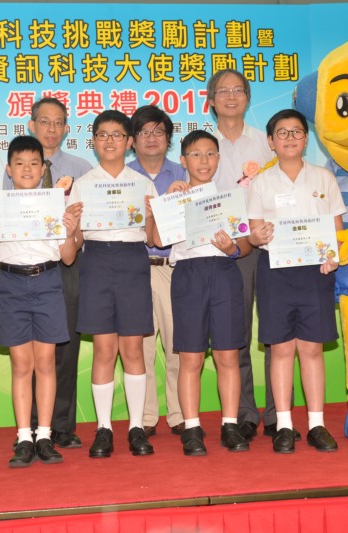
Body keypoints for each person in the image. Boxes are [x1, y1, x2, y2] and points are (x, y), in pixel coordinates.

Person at [246, 109, 346, 453]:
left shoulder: (324, 178)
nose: (289, 138)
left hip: (315, 272)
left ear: (306, 138)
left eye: (296, 132)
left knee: (311, 349)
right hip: (274, 271)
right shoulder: (261, 182)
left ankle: (317, 424)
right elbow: (253, 233)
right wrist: (258, 236)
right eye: (282, 133)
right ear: (270, 141)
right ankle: (284, 426)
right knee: (281, 349)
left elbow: (336, 229)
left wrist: (333, 255)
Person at [0, 135, 82, 467]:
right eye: (20, 163)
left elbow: (68, 258)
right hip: (11, 284)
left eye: (34, 163)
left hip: (48, 282)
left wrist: (70, 232)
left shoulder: (57, 205)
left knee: (46, 362)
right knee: (22, 365)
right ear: (9, 169)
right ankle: (24, 437)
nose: (27, 169)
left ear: (43, 169)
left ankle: (45, 435)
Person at [151, 130, 252, 456]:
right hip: (188, 276)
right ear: (183, 160)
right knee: (190, 357)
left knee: (227, 355)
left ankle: (230, 425)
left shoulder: (230, 197)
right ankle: (192, 428)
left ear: (218, 159)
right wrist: (166, 201)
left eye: (210, 154)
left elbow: (245, 244)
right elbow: (156, 240)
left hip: (224, 273)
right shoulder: (174, 196)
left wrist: (232, 248)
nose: (203, 161)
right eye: (195, 154)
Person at [66, 110, 157, 458]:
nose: (109, 141)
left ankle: (136, 427)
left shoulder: (142, 184)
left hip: (133, 261)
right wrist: (72, 224)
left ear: (129, 141)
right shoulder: (83, 184)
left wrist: (152, 215)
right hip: (97, 261)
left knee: (132, 350)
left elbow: (154, 238)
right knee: (104, 350)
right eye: (102, 135)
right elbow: (75, 242)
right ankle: (103, 428)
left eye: (117, 135)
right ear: (93, 141)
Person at [10, 97, 93, 449]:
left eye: (59, 122)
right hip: (26, 268)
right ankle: (29, 427)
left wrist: (73, 234)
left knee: (65, 347)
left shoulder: (81, 168)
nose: (52, 129)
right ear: (32, 124)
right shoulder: (16, 164)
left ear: (66, 128)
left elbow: (88, 221)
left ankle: (61, 425)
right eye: (44, 121)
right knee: (28, 352)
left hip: (66, 263)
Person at [207, 69, 279, 441]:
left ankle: (278, 413)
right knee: (237, 334)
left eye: (238, 90)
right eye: (223, 91)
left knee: (275, 332)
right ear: (211, 100)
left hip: (269, 247)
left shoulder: (266, 143)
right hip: (226, 251)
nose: (231, 96)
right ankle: (246, 413)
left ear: (248, 98)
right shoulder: (205, 146)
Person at [128, 105, 186, 437]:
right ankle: (147, 415)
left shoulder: (183, 174)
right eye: (144, 132)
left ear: (168, 138)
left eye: (158, 132)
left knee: (178, 344)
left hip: (173, 268)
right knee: (141, 346)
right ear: (133, 140)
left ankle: (178, 412)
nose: (152, 138)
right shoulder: (123, 178)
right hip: (134, 268)